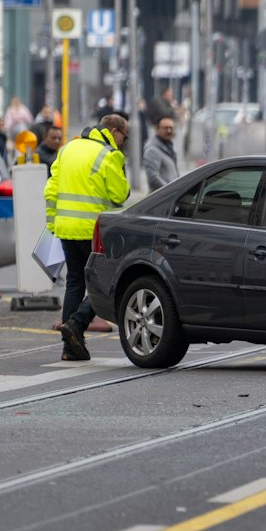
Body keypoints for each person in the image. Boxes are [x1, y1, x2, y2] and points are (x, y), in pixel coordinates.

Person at [45, 114, 130, 362]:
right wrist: (120, 165)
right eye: (125, 137)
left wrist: (53, 223)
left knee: (74, 283)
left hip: (66, 228)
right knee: (105, 282)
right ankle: (77, 324)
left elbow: (51, 190)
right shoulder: (108, 155)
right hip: (93, 231)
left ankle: (70, 347)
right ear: (114, 132)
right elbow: (120, 195)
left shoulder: (67, 149)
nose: (124, 142)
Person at [144, 114, 179, 191]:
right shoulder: (152, 150)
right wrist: (169, 190)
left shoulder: (170, 147)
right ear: (157, 129)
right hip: (162, 198)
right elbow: (153, 177)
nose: (169, 131)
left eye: (171, 128)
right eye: (165, 128)